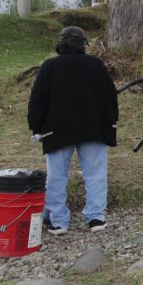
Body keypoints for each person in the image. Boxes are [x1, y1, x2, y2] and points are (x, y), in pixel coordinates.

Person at [27, 26, 118, 235]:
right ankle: (96, 217)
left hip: (58, 129)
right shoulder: (96, 64)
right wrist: (112, 122)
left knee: (56, 176)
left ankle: (58, 221)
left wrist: (36, 128)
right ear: (83, 44)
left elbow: (37, 100)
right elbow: (110, 96)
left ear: (60, 43)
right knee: (95, 174)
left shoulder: (49, 66)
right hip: (94, 127)